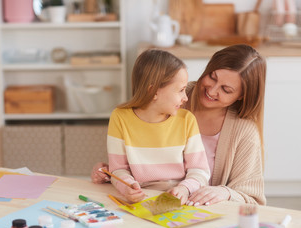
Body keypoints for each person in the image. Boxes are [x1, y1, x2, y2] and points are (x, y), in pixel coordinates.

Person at [92, 44, 267, 206]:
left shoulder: (244, 131)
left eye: (226, 90)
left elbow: (253, 200)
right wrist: (109, 173)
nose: (212, 90)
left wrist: (225, 193)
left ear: (241, 96)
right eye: (212, 77)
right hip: (147, 202)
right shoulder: (170, 96)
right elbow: (128, 161)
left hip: (197, 210)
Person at [107, 49, 210, 203]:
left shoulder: (187, 120)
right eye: (181, 90)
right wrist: (127, 186)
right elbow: (118, 169)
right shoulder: (120, 118)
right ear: (153, 91)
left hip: (181, 199)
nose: (185, 98)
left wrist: (184, 188)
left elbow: (200, 171)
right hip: (141, 198)